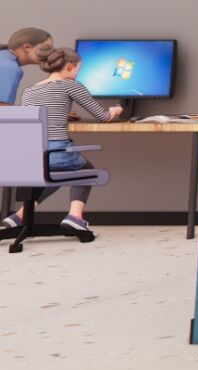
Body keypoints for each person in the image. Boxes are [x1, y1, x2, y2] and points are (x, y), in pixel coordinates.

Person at [1, 47, 121, 241]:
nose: (77, 74)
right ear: (71, 66)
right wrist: (115, 111)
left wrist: (63, 114)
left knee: (53, 173)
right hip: (55, 154)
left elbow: (38, 119)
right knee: (87, 170)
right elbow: (103, 116)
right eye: (78, 69)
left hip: (29, 159)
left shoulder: (30, 90)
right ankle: (75, 217)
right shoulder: (70, 85)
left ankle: (19, 216)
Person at [1, 27, 54, 105]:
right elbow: (2, 109)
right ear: (27, 47)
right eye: (46, 48)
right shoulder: (10, 68)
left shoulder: (3, 56)